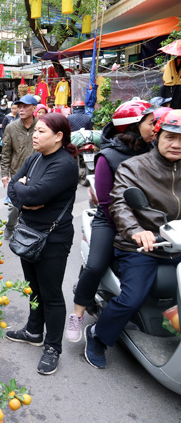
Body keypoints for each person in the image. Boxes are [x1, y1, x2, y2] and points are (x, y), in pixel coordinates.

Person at [85, 109, 181, 369]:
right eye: (171, 137)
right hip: (142, 248)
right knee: (132, 297)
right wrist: (137, 230)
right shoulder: (134, 166)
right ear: (156, 136)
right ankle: (98, 337)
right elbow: (119, 202)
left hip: (178, 245)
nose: (177, 144)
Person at [65, 100, 157, 342]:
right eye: (151, 123)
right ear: (133, 127)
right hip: (110, 221)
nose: (156, 127)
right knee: (95, 265)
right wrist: (131, 229)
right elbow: (107, 204)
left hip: (147, 221)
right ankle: (77, 313)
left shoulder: (156, 151)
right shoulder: (109, 156)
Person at [5, 113, 78, 375]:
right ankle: (34, 331)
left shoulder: (65, 164)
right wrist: (25, 196)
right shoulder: (35, 158)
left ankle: (53, 347)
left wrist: (24, 192)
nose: (35, 135)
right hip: (30, 234)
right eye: (35, 131)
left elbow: (32, 192)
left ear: (58, 137)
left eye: (42, 132)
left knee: (51, 294)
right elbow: (14, 187)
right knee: (33, 288)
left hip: (52, 238)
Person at [1, 95, 38, 237]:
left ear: (34, 108)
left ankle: (30, 231)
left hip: (37, 172)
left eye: (25, 106)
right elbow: (6, 152)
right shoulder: (11, 127)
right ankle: (10, 226)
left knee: (36, 204)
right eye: (19, 107)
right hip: (17, 172)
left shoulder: (41, 125)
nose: (21, 110)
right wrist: (4, 173)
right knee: (13, 206)